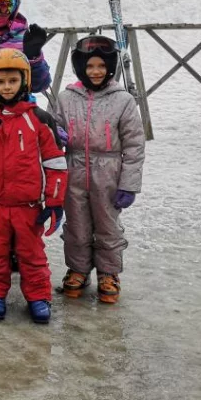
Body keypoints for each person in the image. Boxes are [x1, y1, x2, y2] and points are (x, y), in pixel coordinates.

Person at [0, 49, 68, 323]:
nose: (7, 87)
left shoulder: (39, 119)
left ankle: (38, 297)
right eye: (1, 82)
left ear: (24, 82)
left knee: (32, 255)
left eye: (13, 81)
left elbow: (55, 162)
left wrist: (54, 201)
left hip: (27, 206)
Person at [55, 35, 145, 304]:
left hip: (109, 171)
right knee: (77, 225)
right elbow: (52, 129)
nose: (95, 71)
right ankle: (79, 269)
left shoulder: (123, 101)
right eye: (90, 66)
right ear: (80, 67)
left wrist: (128, 184)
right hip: (73, 169)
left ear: (110, 68)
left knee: (107, 225)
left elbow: (134, 145)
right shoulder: (65, 98)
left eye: (101, 66)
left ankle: (109, 272)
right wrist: (56, 133)